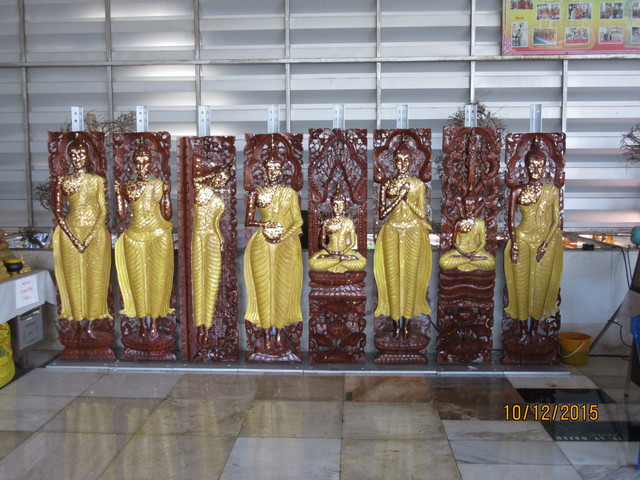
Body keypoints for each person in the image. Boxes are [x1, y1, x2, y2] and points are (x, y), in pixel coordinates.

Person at [52, 134, 111, 337]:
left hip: (94, 232)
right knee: (72, 277)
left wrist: (89, 237)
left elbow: (102, 211)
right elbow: (58, 212)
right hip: (70, 231)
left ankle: (91, 323)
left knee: (95, 276)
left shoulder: (96, 181)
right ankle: (76, 321)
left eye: (82, 154)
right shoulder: (62, 180)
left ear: (88, 156)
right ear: (68, 157)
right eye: (74, 154)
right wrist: (73, 237)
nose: (78, 158)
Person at [244, 147, 303, 350]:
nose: (272, 172)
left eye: (276, 168)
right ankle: (265, 332)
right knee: (262, 288)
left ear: (282, 170)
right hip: (262, 242)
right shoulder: (256, 193)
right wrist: (265, 224)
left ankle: (279, 332)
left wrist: (282, 236)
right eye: (269, 168)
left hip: (285, 244)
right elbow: (249, 220)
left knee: (282, 288)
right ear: (264, 170)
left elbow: (298, 221)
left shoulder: (290, 193)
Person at [504, 138, 563, 342]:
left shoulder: (552, 191)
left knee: (540, 285)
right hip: (521, 239)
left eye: (540, 165)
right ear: (525, 167)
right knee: (520, 285)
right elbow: (510, 220)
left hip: (544, 242)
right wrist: (514, 244)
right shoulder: (517, 191)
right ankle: (522, 330)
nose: (536, 170)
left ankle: (535, 330)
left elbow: (556, 221)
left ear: (545, 167)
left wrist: (545, 244)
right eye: (532, 165)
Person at [374, 139, 432, 339]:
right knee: (392, 276)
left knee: (411, 276)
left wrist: (407, 199)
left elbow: (422, 214)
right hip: (392, 229)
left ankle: (407, 323)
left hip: (413, 230)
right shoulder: (387, 184)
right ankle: (395, 324)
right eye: (399, 160)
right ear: (393, 162)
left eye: (407, 160)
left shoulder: (418, 185)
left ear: (412, 162)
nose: (403, 164)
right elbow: (382, 214)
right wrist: (399, 198)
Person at [114, 144, 174, 339]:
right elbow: (121, 215)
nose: (141, 166)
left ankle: (154, 322)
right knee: (137, 280)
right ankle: (142, 323)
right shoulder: (127, 185)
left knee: (157, 279)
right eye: (138, 163)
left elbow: (167, 215)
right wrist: (118, 194)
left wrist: (167, 194)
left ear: (151, 164)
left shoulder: (157, 184)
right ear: (133, 165)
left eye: (145, 162)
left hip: (157, 234)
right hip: (134, 236)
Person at [191, 164, 229, 349]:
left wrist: (221, 242)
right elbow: (194, 181)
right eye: (220, 178)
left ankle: (208, 324)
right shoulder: (200, 191)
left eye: (224, 181)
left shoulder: (219, 201)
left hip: (213, 238)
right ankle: (199, 325)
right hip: (197, 237)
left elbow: (216, 225)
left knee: (212, 281)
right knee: (198, 281)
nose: (221, 182)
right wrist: (209, 176)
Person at [309, 189, 366, 273]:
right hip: (330, 252)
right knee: (312, 262)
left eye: (341, 205)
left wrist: (343, 252)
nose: (338, 208)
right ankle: (339, 260)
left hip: (345, 252)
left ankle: (336, 260)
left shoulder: (348, 222)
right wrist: (330, 252)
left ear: (344, 206)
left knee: (362, 262)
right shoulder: (327, 222)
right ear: (331, 207)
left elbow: (352, 243)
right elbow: (322, 242)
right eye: (335, 205)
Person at [438, 193, 496, 272]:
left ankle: (465, 260)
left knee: (492, 263)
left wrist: (474, 252)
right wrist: (463, 253)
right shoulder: (459, 222)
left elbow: (483, 242)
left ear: (475, 206)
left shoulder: (480, 223)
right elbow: (454, 242)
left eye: (472, 205)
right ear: (463, 206)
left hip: (475, 252)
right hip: (460, 252)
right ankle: (470, 260)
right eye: (467, 205)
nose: (469, 208)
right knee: (443, 261)